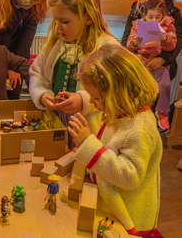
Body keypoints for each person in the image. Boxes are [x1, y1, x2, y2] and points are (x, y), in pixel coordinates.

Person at [68, 44, 162, 236]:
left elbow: (129, 178)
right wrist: (86, 156)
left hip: (129, 217)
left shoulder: (141, 129)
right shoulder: (120, 113)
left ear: (117, 92)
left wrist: (90, 149)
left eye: (96, 97)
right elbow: (110, 153)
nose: (92, 103)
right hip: (108, 206)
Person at [29, 0, 120, 150]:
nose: (58, 27)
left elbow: (112, 90)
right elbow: (36, 73)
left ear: (88, 17)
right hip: (55, 124)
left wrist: (83, 100)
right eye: (55, 20)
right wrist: (41, 93)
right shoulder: (56, 43)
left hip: (90, 131)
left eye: (64, 21)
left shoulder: (106, 47)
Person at [126, 0, 177, 130]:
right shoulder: (137, 25)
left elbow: (171, 48)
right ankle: (133, 112)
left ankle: (162, 113)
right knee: (138, 87)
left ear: (163, 15)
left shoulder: (168, 25)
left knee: (165, 84)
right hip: (142, 64)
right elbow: (128, 45)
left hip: (159, 65)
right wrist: (134, 43)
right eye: (150, 17)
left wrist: (165, 39)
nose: (154, 20)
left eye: (158, 17)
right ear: (144, 15)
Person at [121, 0, 182, 81]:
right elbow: (126, 39)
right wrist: (136, 57)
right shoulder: (136, 11)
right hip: (138, 60)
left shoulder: (172, 12)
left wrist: (163, 59)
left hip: (163, 60)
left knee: (160, 86)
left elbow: (179, 39)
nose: (142, 2)